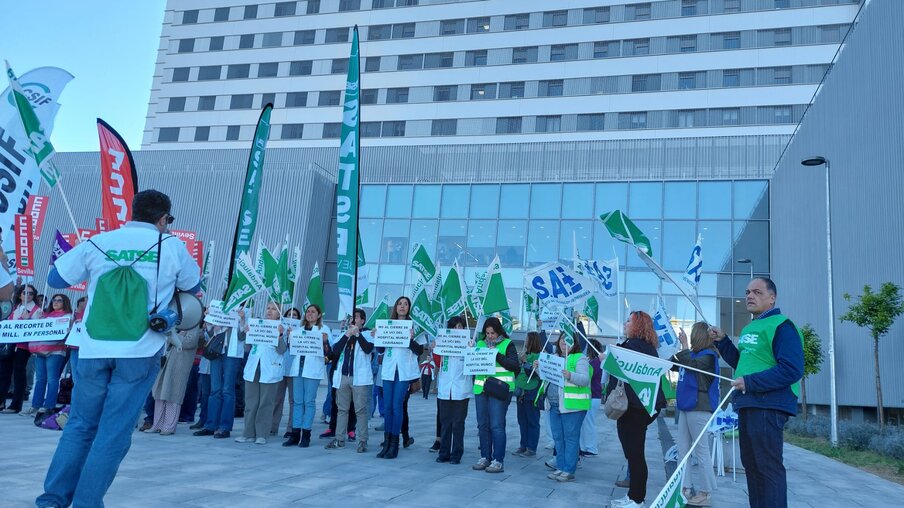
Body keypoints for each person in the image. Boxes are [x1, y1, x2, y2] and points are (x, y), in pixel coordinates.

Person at [37, 189, 201, 508]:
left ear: (132, 212)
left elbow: (55, 279)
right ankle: (87, 503)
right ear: (163, 218)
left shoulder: (99, 241)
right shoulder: (172, 246)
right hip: (140, 350)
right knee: (113, 433)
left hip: (92, 347)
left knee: (80, 425)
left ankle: (52, 500)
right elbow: (193, 289)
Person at [710, 277, 804, 508]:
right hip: (749, 403)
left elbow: (792, 370)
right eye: (748, 292)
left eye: (757, 292)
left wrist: (750, 383)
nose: (750, 296)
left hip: (768, 405)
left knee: (767, 467)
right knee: (751, 466)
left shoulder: (782, 326)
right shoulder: (750, 327)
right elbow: (743, 364)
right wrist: (723, 342)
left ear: (772, 298)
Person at [610, 311, 667, 508]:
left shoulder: (634, 346)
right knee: (633, 453)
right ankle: (633, 495)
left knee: (635, 454)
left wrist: (606, 359)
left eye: (628, 321)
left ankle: (637, 499)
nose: (625, 323)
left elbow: (619, 368)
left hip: (635, 407)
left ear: (637, 325)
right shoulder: (647, 347)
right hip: (641, 407)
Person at [669, 323, 720, 507]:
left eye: (692, 335)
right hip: (686, 406)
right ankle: (685, 486)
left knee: (701, 450)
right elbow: (675, 363)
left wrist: (683, 347)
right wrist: (675, 348)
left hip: (699, 407)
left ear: (698, 336)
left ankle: (705, 492)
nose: (689, 338)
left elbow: (691, 365)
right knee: (683, 449)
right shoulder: (694, 355)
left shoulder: (708, 356)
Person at [377, 296, 425, 460]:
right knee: (388, 407)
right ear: (395, 307)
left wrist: (410, 338)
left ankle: (395, 445)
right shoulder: (387, 324)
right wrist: (378, 336)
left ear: (409, 308)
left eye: (406, 304)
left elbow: (419, 351)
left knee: (397, 406)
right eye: (400, 303)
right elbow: (380, 349)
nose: (402, 306)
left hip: (403, 371)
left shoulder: (415, 327)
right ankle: (387, 442)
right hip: (389, 369)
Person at [472, 317, 520, 474]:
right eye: (487, 333)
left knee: (497, 426)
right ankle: (485, 457)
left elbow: (514, 366)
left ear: (498, 331)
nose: (490, 336)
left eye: (492, 333)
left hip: (499, 391)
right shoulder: (479, 344)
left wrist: (497, 355)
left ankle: (498, 460)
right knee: (482, 425)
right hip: (481, 390)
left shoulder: (508, 344)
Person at [236, 302, 288, 445]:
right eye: (268, 308)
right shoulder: (257, 324)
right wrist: (244, 326)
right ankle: (248, 433)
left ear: (279, 313)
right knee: (251, 402)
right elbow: (243, 341)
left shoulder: (281, 328)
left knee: (265, 403)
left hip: (270, 369)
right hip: (254, 367)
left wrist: (280, 335)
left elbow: (283, 350)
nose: (270, 311)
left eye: (274, 309)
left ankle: (262, 434)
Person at [544, 333, 591, 482]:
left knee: (570, 438)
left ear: (574, 343)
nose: (564, 342)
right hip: (554, 405)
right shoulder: (554, 357)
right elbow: (547, 378)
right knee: (558, 438)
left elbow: (584, 379)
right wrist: (540, 368)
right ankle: (561, 467)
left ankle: (569, 470)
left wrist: (570, 375)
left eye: (567, 340)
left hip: (572, 407)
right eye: (562, 339)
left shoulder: (580, 358)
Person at [325, 308, 374, 452]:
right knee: (342, 409)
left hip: (359, 378)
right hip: (343, 377)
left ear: (362, 321)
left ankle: (363, 441)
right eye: (352, 318)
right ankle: (339, 439)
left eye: (356, 318)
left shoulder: (367, 334)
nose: (353, 321)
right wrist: (347, 335)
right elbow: (335, 351)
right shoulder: (344, 335)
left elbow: (368, 349)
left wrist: (358, 335)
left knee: (360, 410)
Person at [283, 304, 330, 448]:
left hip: (312, 370)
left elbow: (329, 353)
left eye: (313, 312)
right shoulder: (298, 330)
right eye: (308, 311)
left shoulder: (323, 330)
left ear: (319, 315)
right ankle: (295, 433)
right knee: (297, 401)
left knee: (309, 402)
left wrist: (325, 341)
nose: (309, 314)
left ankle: (306, 434)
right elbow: (292, 349)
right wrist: (290, 337)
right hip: (298, 369)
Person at [194, 317, 243, 439]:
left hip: (232, 352)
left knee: (227, 389)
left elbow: (242, 337)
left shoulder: (245, 312)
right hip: (216, 350)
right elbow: (210, 334)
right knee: (214, 389)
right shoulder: (220, 311)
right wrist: (210, 323)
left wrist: (241, 320)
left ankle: (225, 427)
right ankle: (210, 425)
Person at [27, 293, 73, 422]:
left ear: (65, 302)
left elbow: (65, 335)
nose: (56, 302)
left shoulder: (68, 317)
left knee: (52, 379)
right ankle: (35, 406)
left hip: (56, 352)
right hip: (41, 352)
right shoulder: (44, 316)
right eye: (54, 300)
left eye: (59, 300)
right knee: (41, 379)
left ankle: (49, 406)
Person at [149, 325, 202, 435]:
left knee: (173, 393)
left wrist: (173, 335)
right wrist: (173, 335)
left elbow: (189, 342)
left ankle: (169, 426)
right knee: (160, 392)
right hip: (166, 361)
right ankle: (157, 424)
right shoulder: (175, 324)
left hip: (180, 363)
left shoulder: (193, 325)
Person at [0, 284, 42, 415]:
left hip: (23, 346)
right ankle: (1, 401)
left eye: (30, 293)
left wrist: (28, 319)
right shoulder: (15, 308)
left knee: (19, 374)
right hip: (10, 345)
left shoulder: (37, 310)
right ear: (20, 295)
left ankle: (16, 404)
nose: (27, 295)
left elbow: (38, 328)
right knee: (4, 374)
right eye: (25, 293)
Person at [435, 315, 472, 464]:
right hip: (445, 388)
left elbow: (472, 365)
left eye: (460, 327)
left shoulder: (470, 343)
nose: (457, 330)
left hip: (461, 389)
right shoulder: (442, 343)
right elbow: (438, 363)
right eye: (454, 327)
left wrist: (471, 350)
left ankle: (456, 453)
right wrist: (435, 348)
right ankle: (444, 452)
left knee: (458, 423)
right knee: (445, 422)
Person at [513, 331, 544, 458]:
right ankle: (523, 445)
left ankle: (531, 447)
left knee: (532, 421)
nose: (525, 341)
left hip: (532, 392)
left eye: (527, 339)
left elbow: (535, 375)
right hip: (521, 391)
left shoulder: (540, 356)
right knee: (522, 421)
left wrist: (525, 362)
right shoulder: (525, 354)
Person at [272, 307, 301, 436]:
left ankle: (291, 428)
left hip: (293, 370)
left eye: (294, 315)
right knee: (277, 399)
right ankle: (272, 427)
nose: (292, 317)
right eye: (289, 314)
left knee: (293, 401)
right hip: (280, 368)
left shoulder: (301, 331)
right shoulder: (280, 329)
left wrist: (294, 336)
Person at [579, 338, 604, 457]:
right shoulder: (595, 362)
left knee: (588, 422)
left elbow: (589, 376)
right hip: (593, 395)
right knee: (587, 422)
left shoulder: (595, 363)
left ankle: (591, 447)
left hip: (593, 395)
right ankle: (586, 446)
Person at [66, 297, 87, 385]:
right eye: (86, 300)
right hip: (73, 347)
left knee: (83, 375)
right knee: (74, 374)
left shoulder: (92, 314)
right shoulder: (72, 315)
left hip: (86, 349)